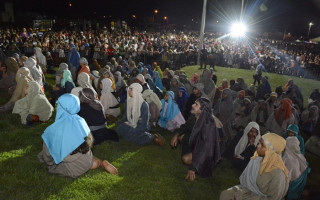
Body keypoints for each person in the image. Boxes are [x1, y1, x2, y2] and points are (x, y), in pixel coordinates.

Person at [38, 94, 117, 178]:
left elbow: (48, 158)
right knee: (78, 152)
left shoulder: (53, 130)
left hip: (72, 169)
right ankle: (99, 163)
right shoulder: (81, 121)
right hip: (86, 159)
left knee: (43, 156)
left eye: (59, 105)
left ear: (63, 108)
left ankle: (88, 164)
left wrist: (48, 162)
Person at [220, 133, 289, 200]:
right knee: (224, 195)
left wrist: (242, 198)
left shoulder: (278, 174)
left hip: (259, 198)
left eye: (262, 145)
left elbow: (273, 198)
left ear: (271, 152)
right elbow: (248, 184)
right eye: (259, 143)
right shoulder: (257, 158)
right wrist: (239, 194)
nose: (258, 146)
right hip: (248, 191)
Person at [173, 97, 220, 181]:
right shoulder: (194, 116)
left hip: (206, 152)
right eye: (194, 103)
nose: (192, 105)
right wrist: (176, 135)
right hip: (197, 144)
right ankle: (192, 156)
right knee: (181, 137)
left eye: (196, 105)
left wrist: (192, 168)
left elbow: (205, 148)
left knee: (186, 159)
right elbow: (185, 126)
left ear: (202, 110)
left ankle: (200, 167)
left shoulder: (208, 125)